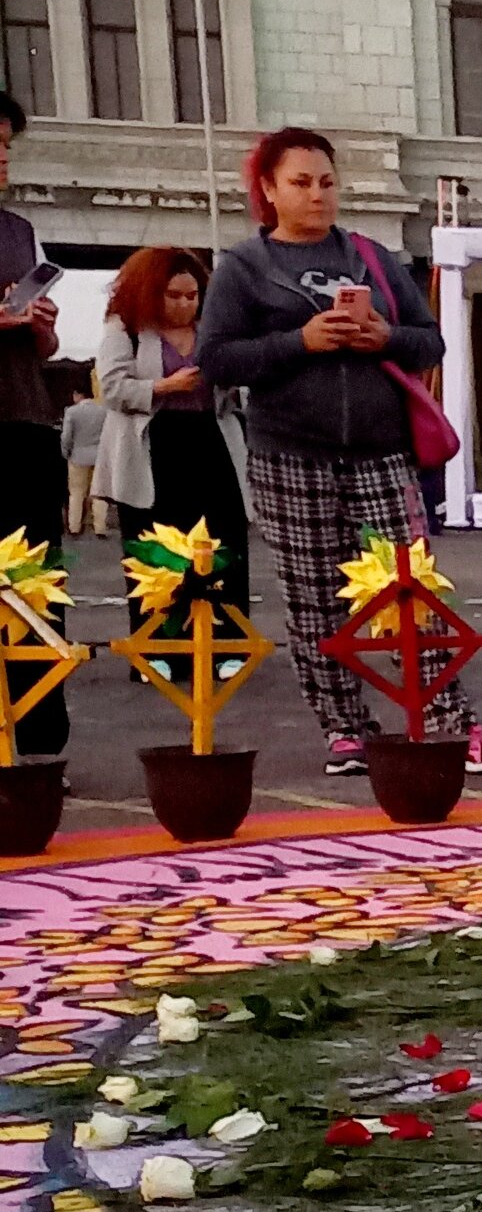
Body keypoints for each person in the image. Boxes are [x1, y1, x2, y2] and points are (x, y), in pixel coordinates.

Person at [197, 125, 482, 774]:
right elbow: (217, 359)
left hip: (380, 450)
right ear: (269, 190)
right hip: (290, 455)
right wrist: (299, 341)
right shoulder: (245, 268)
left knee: (408, 587)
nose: (318, 195)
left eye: (328, 182)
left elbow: (431, 344)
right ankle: (344, 727)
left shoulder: (370, 256)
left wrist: (382, 336)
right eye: (301, 183)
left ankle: (448, 719)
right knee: (315, 597)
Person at [95, 248, 253, 616]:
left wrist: (230, 381)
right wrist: (165, 386)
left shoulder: (213, 332)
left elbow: (240, 388)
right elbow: (114, 388)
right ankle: (158, 647)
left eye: (192, 295)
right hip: (154, 443)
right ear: (151, 292)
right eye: (174, 296)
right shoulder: (126, 328)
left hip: (211, 440)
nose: (185, 304)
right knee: (155, 544)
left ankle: (228, 640)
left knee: (223, 538)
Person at [0, 87, 70, 754]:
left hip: (24, 418)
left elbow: (42, 348)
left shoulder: (18, 231)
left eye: (4, 148)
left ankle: (41, 744)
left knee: (34, 582)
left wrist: (39, 327)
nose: (0, 161)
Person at [59, 379, 102, 539]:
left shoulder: (71, 412)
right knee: (99, 492)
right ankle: (100, 527)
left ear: (78, 394)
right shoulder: (103, 410)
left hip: (77, 456)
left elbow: (66, 436)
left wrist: (66, 452)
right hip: (99, 456)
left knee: (76, 492)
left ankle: (75, 526)